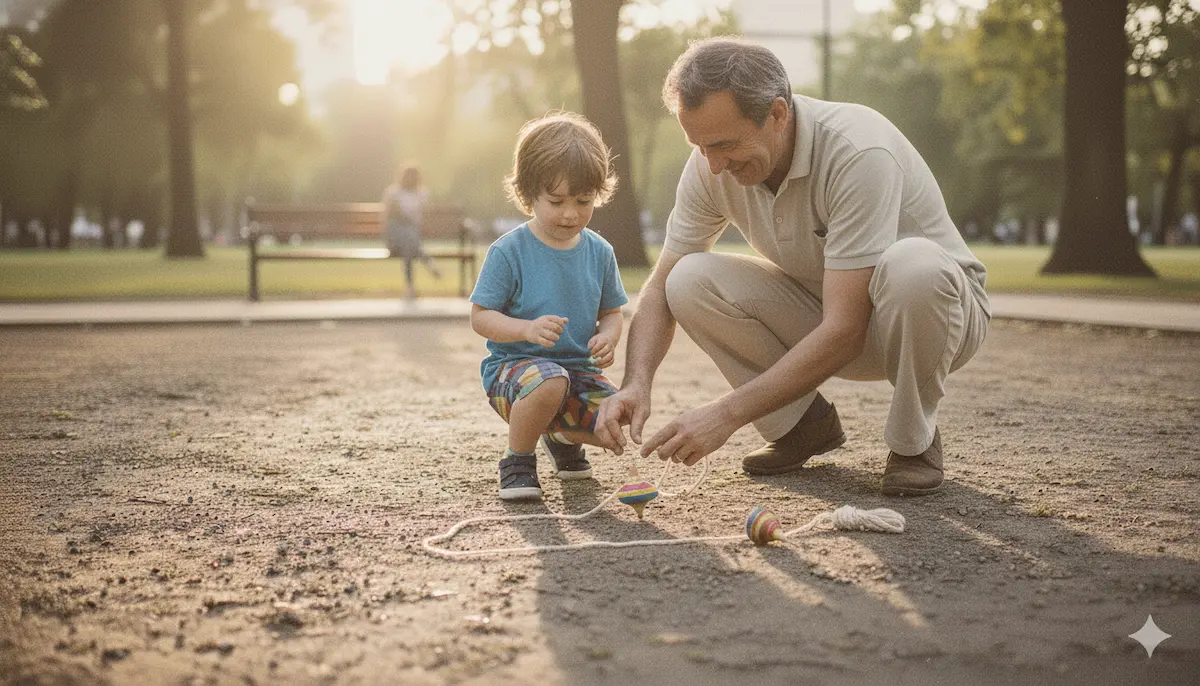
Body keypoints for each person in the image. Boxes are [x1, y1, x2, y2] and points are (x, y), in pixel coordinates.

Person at [594, 37, 990, 496]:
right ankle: (801, 426)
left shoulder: (858, 150)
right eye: (699, 146)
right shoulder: (709, 164)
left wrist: (725, 414)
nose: (714, 165)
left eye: (724, 144)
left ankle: (913, 442)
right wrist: (636, 383)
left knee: (913, 267)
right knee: (685, 280)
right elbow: (660, 285)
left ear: (778, 114)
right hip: (832, 318)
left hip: (935, 318)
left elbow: (845, 330)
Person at [469, 112, 629, 501]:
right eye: (556, 201)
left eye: (583, 200)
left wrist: (609, 337)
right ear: (529, 195)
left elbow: (612, 313)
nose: (570, 213)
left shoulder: (600, 252)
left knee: (617, 414)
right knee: (550, 380)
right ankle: (518, 460)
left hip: (578, 370)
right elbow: (481, 317)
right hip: (513, 373)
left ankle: (560, 436)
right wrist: (525, 329)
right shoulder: (509, 251)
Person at [382, 164, 442, 299]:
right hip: (395, 238)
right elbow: (393, 216)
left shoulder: (422, 194)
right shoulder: (393, 193)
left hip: (412, 238)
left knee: (409, 245)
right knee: (408, 238)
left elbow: (427, 216)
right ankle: (429, 262)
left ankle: (409, 287)